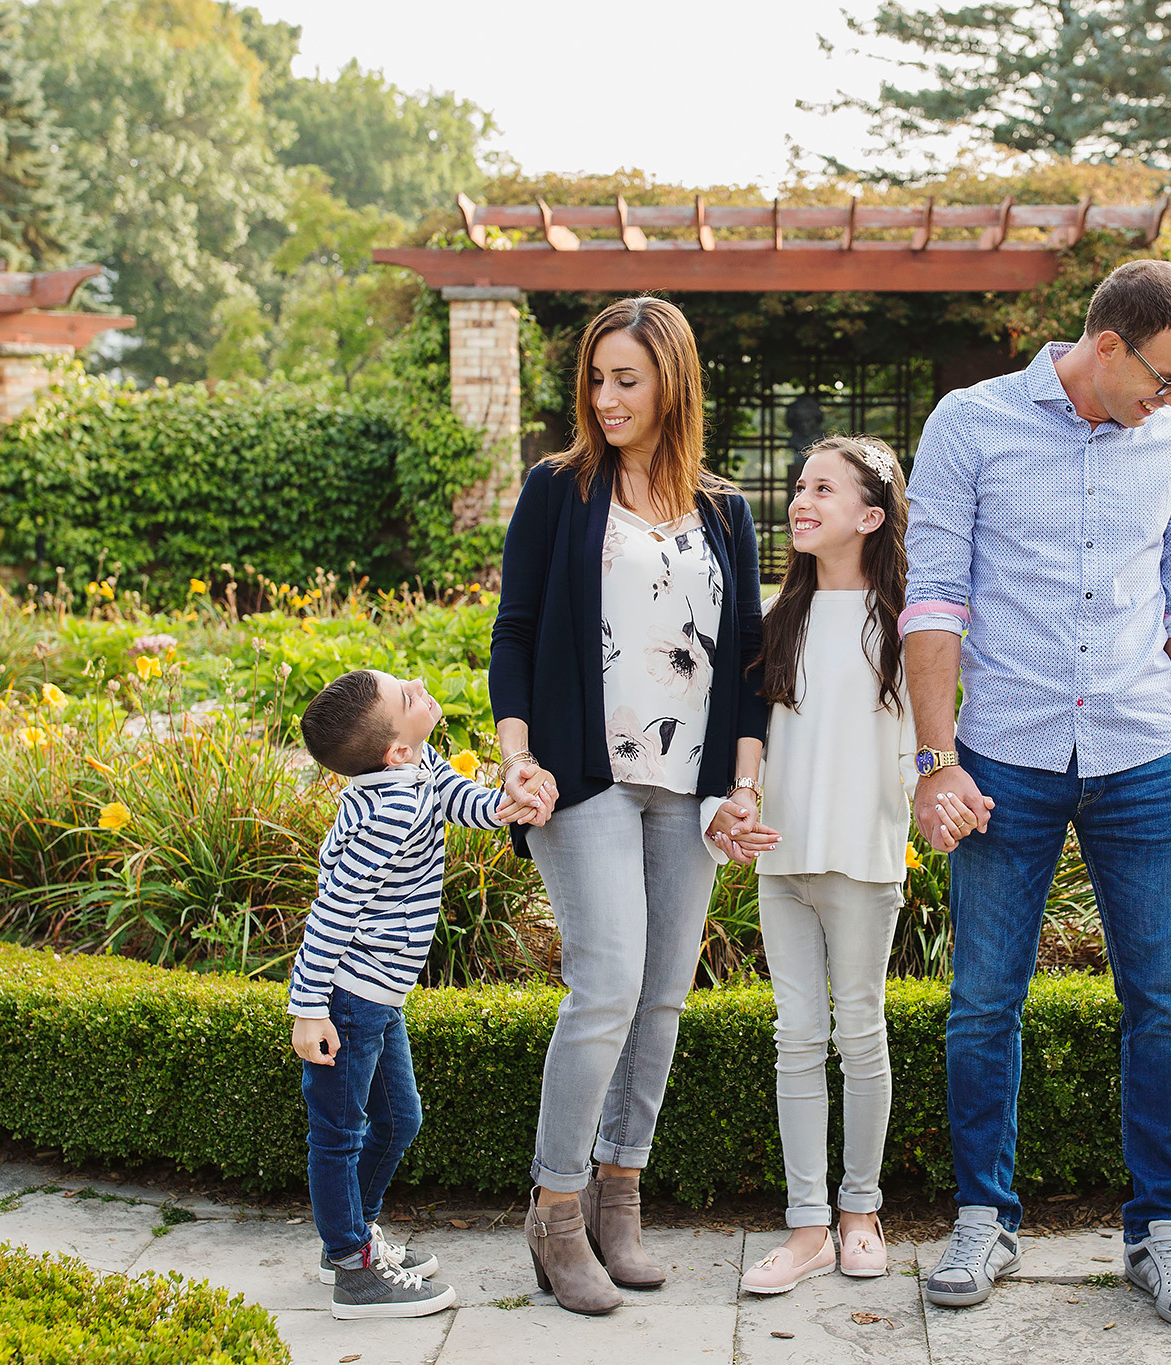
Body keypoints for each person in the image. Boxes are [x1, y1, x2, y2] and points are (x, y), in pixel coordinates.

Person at [902, 258, 1171, 1332]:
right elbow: (934, 598)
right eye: (1164, 377)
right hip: (1003, 754)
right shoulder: (971, 423)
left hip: (1141, 755)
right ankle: (982, 1216)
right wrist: (934, 760)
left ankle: (1161, 1230)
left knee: (1162, 1001)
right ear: (1105, 345)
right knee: (982, 1001)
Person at [487, 295, 773, 1316]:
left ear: (671, 384)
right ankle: (554, 1214)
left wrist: (740, 788)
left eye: (627, 380)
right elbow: (514, 633)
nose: (606, 398)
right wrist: (517, 758)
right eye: (596, 379)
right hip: (581, 777)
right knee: (605, 985)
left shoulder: (725, 511)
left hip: (687, 790)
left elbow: (748, 660)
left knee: (659, 1000)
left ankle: (619, 1198)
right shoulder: (557, 492)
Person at [288, 667, 526, 1321]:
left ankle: (355, 1239)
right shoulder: (385, 813)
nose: (419, 683)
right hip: (347, 997)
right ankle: (354, 1271)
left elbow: (470, 805)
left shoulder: (421, 762)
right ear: (393, 751)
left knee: (398, 1120)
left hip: (380, 994)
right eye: (406, 694)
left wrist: (513, 800)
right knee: (338, 1133)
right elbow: (332, 912)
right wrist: (308, 1007)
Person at [736, 436, 917, 1294]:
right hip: (785, 863)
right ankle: (807, 1224)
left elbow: (927, 746)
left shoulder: (907, 626)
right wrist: (726, 811)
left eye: (823, 488)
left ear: (871, 516)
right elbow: (743, 745)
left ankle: (860, 1211)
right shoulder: (778, 620)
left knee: (861, 1033)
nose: (801, 500)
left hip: (865, 861)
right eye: (799, 485)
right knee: (797, 1039)